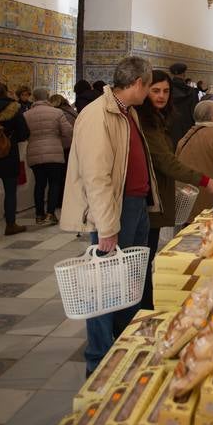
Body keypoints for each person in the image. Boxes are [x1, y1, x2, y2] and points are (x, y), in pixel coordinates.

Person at [60, 56, 160, 375]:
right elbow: (97, 177)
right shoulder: (96, 116)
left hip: (135, 205)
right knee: (103, 288)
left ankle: (123, 346)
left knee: (128, 282)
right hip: (116, 210)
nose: (148, 94)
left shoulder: (126, 112)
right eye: (148, 87)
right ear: (138, 83)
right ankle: (99, 359)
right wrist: (107, 227)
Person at [136, 70, 213, 309]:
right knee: (142, 262)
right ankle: (143, 310)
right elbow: (165, 161)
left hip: (154, 196)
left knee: (147, 257)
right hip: (146, 199)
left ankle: (146, 306)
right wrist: (205, 180)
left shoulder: (159, 118)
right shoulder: (145, 122)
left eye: (166, 91)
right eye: (155, 91)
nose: (161, 96)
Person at [25, 87, 74, 224]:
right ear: (47, 97)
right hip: (54, 152)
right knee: (54, 183)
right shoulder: (57, 112)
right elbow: (67, 131)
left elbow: (24, 134)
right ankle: (51, 213)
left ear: (34, 98)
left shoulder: (27, 114)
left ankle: (39, 214)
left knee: (39, 184)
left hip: (34, 152)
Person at [0, 80, 30, 235]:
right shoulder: (14, 108)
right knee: (10, 191)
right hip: (8, 154)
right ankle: (10, 224)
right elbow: (24, 133)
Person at [48, 94, 78, 211]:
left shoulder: (59, 113)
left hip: (62, 146)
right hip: (73, 145)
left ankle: (59, 201)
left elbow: (65, 131)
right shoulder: (72, 111)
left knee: (59, 176)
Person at [168, 62, 199, 147]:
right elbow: (195, 113)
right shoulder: (192, 91)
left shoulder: (167, 90)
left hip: (171, 126)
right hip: (187, 127)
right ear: (184, 74)